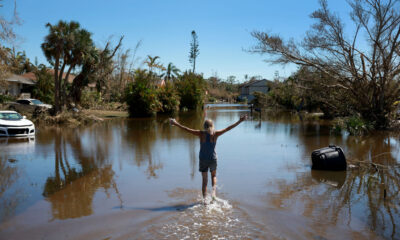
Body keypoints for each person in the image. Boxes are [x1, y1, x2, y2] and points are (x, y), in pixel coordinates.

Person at [169, 115, 247, 204]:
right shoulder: (216, 133)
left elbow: (186, 129)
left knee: (204, 180)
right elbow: (228, 128)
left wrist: (175, 123)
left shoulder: (200, 133)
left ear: (204, 126)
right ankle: (213, 193)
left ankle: (205, 200)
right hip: (213, 159)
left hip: (203, 159)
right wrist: (239, 121)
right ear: (212, 126)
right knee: (213, 176)